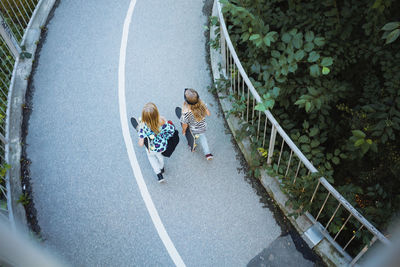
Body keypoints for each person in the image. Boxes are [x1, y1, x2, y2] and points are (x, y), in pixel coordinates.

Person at [138, 103, 175, 182]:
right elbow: (171, 130)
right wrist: (165, 121)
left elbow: (141, 144)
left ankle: (159, 174)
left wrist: (141, 137)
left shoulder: (143, 127)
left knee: (151, 158)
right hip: (162, 146)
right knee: (159, 156)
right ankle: (161, 167)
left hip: (151, 149)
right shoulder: (162, 122)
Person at [180, 88, 213, 160]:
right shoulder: (202, 104)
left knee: (191, 138)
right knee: (203, 139)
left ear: (186, 102)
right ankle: (208, 154)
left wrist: (183, 130)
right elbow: (208, 113)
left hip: (193, 130)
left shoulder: (186, 112)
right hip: (202, 128)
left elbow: (184, 124)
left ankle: (192, 146)